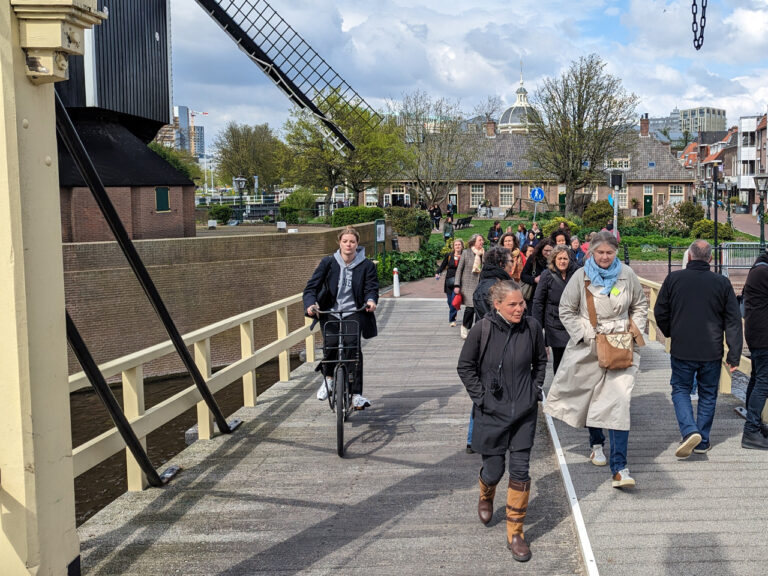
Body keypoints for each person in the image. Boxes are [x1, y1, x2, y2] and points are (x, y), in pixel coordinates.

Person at [544, 231, 648, 488]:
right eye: (599, 252)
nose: (604, 257)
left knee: (619, 402)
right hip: (590, 345)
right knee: (593, 398)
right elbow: (566, 309)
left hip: (620, 345)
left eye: (609, 253)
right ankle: (596, 442)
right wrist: (584, 333)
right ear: (591, 252)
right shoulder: (581, 276)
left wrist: (634, 329)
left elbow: (640, 304)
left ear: (615, 253)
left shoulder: (627, 275)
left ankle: (620, 467)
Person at [457, 280, 547, 562]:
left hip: (523, 413)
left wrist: (534, 389)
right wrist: (481, 399)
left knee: (520, 472)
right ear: (497, 305)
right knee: (494, 470)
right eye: (513, 304)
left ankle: (516, 534)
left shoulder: (531, 328)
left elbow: (541, 361)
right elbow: (465, 367)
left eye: (522, 303)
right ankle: (486, 493)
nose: (520, 308)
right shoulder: (481, 330)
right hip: (491, 413)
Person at [654, 240, 742, 456]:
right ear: (711, 259)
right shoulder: (722, 283)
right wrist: (735, 354)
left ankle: (689, 431)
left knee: (681, 390)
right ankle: (702, 441)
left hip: (682, 347)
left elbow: (660, 312)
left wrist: (670, 332)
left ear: (690, 257)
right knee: (708, 393)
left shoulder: (674, 279)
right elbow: (732, 321)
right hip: (711, 350)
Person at [303, 226, 379, 409]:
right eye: (345, 241)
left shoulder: (366, 265)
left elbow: (371, 288)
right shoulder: (328, 263)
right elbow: (311, 288)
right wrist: (311, 304)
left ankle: (356, 395)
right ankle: (328, 379)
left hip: (354, 311)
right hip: (330, 312)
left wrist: (370, 300)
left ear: (357, 244)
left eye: (352, 241)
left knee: (353, 348)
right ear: (339, 242)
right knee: (329, 347)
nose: (348, 245)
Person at [531, 244, 579, 374]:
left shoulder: (577, 273)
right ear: (554, 260)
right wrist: (537, 327)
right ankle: (560, 388)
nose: (562, 261)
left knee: (574, 359)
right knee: (559, 359)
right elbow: (538, 302)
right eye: (560, 259)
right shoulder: (547, 275)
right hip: (554, 324)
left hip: (574, 322)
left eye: (565, 258)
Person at [742, 251, 768, 449]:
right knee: (763, 381)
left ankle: (755, 425)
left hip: (757, 334)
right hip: (764, 336)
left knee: (757, 377)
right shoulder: (763, 272)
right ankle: (751, 430)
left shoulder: (758, 269)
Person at [454, 234, 485, 339]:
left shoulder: (484, 253)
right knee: (470, 308)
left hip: (480, 285)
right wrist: (457, 285)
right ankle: (464, 327)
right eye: (480, 240)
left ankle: (476, 330)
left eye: (482, 240)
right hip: (467, 285)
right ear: (474, 242)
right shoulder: (466, 253)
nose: (482, 242)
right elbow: (459, 270)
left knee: (479, 308)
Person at [435, 238, 464, 327]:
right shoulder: (449, 255)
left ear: (462, 246)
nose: (457, 246)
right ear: (453, 247)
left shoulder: (464, 255)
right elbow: (443, 265)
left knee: (454, 301)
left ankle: (452, 319)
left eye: (459, 245)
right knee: (449, 301)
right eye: (456, 245)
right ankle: (453, 313)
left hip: (458, 282)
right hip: (449, 281)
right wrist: (437, 272)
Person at [520, 239, 553, 308]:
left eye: (550, 250)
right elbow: (523, 275)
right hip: (533, 295)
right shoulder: (533, 258)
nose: (548, 253)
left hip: (550, 296)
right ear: (541, 249)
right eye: (546, 250)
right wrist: (534, 279)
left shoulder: (555, 260)